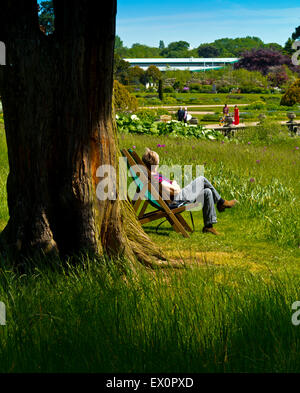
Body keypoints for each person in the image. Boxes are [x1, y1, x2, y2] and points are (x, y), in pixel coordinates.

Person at [142, 148, 238, 235]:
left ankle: (208, 227)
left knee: (207, 192)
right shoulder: (154, 178)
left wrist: (174, 184)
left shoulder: (152, 175)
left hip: (177, 197)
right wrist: (174, 185)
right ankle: (222, 202)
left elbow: (171, 186)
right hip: (176, 200)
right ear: (156, 162)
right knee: (201, 179)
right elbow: (173, 190)